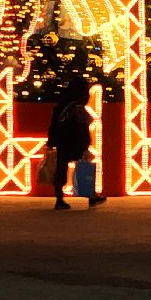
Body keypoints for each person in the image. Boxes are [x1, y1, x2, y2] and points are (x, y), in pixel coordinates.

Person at [46, 79, 104, 210]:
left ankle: (59, 199)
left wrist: (51, 140)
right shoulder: (77, 108)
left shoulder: (61, 106)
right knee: (84, 168)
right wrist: (86, 142)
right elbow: (82, 125)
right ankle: (90, 197)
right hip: (76, 141)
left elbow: (53, 125)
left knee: (62, 168)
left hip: (62, 141)